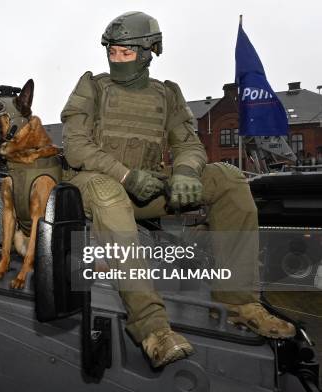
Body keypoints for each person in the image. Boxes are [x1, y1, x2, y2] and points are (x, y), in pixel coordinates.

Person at [60, 11, 295, 368]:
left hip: (146, 186)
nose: (116, 59)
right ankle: (152, 327)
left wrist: (185, 172)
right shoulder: (92, 87)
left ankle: (239, 301)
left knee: (228, 178)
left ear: (149, 51)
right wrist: (126, 176)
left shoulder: (167, 94)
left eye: (126, 52)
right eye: (112, 51)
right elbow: (76, 147)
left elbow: (189, 142)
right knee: (109, 192)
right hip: (93, 186)